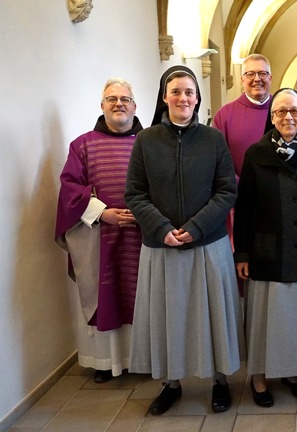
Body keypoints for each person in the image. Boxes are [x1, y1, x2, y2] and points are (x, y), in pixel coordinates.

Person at [125, 65, 244, 415]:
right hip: (162, 247)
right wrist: (162, 228)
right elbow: (134, 192)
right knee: (168, 318)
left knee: (214, 315)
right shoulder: (146, 140)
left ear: (197, 98)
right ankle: (171, 382)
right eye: (176, 91)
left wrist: (197, 226)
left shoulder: (213, 139)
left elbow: (227, 190)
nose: (183, 98)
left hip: (208, 243)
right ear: (164, 97)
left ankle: (220, 380)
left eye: (189, 92)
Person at [233, 88, 297, 408]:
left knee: (295, 317)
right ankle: (260, 376)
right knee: (266, 317)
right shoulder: (255, 154)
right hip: (267, 250)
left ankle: (292, 372)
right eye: (281, 112)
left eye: (295, 111)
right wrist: (243, 253)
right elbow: (245, 207)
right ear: (272, 117)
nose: (288, 117)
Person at [55, 78, 142, 384]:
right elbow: (70, 189)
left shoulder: (150, 143)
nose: (119, 104)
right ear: (102, 105)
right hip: (100, 235)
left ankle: (143, 358)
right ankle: (107, 362)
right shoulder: (82, 145)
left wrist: (145, 214)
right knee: (108, 291)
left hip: (144, 236)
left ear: (135, 105)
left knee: (142, 294)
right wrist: (103, 213)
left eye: (125, 99)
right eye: (111, 99)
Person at [213, 53, 273, 178]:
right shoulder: (224, 115)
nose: (257, 79)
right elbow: (219, 161)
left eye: (262, 73)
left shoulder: (284, 112)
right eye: (250, 74)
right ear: (242, 79)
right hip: (239, 193)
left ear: (270, 78)